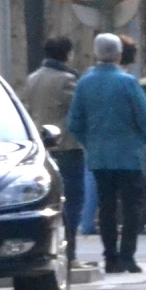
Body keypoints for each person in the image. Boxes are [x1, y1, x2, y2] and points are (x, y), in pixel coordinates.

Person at [68, 33, 146, 274]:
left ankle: (111, 257)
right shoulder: (128, 82)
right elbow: (145, 117)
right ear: (118, 55)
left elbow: (74, 122)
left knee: (106, 207)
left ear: (96, 53)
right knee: (132, 207)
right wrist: (143, 139)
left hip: (100, 157)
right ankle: (128, 254)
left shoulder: (85, 82)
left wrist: (90, 142)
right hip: (129, 155)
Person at [20, 37, 90, 269]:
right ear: (67, 54)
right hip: (68, 147)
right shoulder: (67, 80)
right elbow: (79, 111)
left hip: (43, 149)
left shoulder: (32, 79)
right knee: (72, 202)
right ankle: (69, 254)